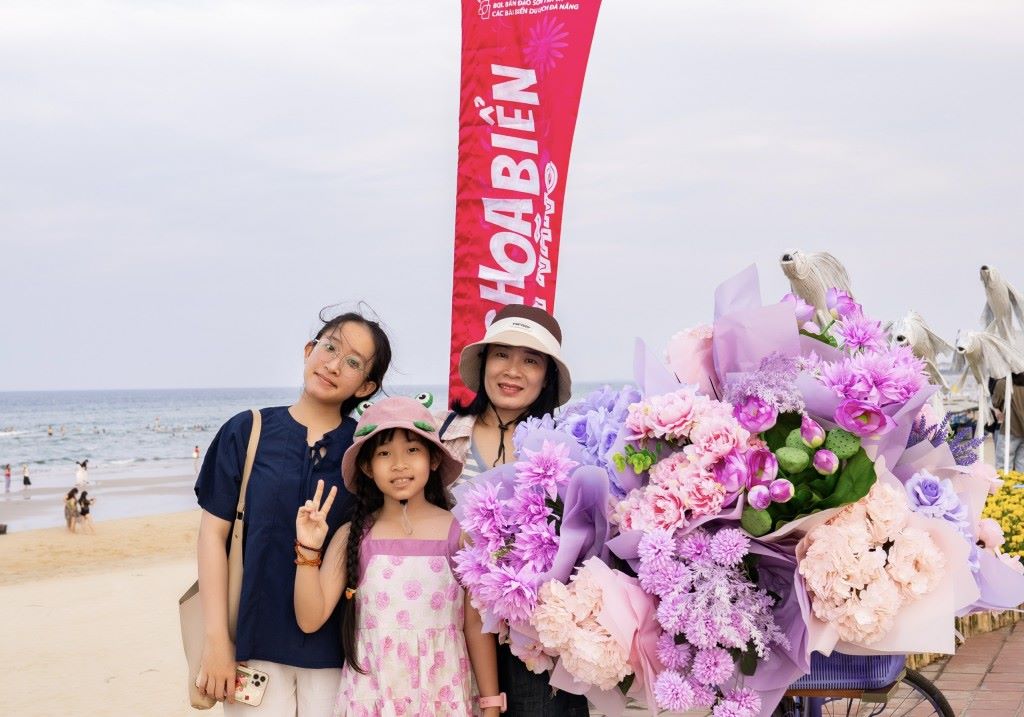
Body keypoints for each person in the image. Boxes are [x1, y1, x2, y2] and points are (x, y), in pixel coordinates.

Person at [194, 309, 391, 715]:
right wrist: (217, 642)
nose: (334, 365)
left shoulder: (366, 451)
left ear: (366, 385)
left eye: (353, 363)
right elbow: (213, 536)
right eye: (329, 347)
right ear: (308, 350)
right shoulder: (247, 431)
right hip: (252, 650)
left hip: (337, 659)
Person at [293, 396, 502, 717]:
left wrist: (490, 703)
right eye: (384, 453)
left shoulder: (459, 532)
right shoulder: (353, 535)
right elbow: (310, 619)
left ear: (433, 458)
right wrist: (309, 549)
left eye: (413, 450)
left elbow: (475, 626)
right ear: (366, 466)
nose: (399, 464)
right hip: (373, 700)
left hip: (443, 698)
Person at [440, 304, 586, 716]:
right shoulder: (442, 437)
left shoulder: (564, 445)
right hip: (449, 630)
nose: (513, 370)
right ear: (484, 362)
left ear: (547, 375)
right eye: (502, 354)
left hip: (536, 639)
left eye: (531, 360)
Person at [992, 373, 1024, 472]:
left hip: (1009, 429)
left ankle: (1005, 488)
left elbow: (995, 402)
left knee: (1003, 466)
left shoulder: (1003, 383)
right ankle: (1020, 487)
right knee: (1021, 467)